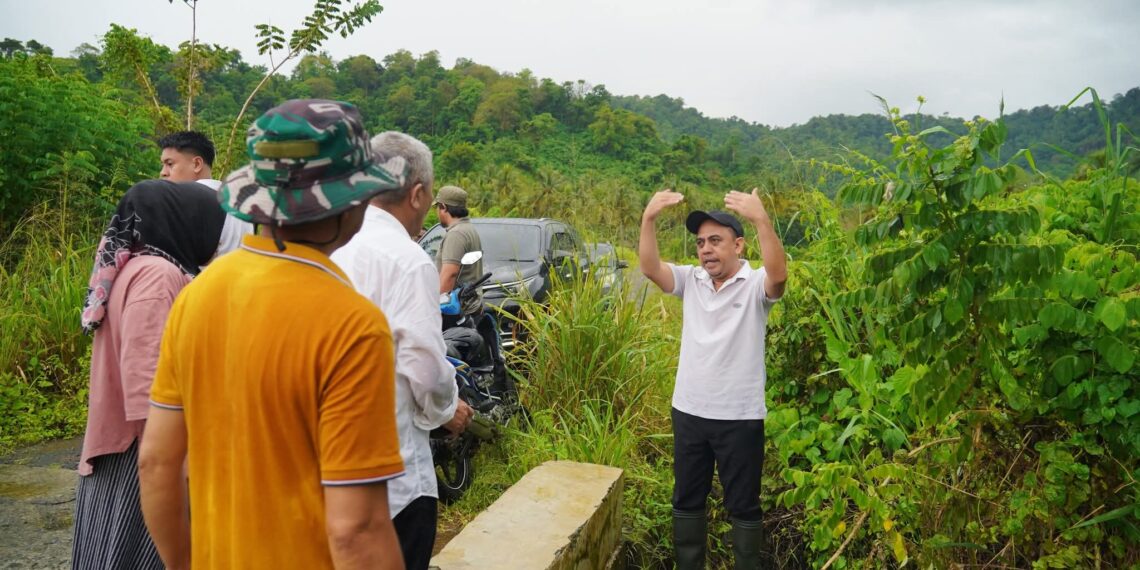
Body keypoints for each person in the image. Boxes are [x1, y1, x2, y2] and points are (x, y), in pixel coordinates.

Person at [138, 99, 407, 570]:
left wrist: (183, 562)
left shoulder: (198, 295)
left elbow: (157, 462)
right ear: (352, 203)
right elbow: (356, 530)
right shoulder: (352, 325)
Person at [330, 131, 474, 569]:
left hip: (326, 469)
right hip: (392, 479)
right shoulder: (407, 260)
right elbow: (425, 368)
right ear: (416, 194)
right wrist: (447, 410)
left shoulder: (330, 245)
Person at [72, 179, 225, 570]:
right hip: (141, 449)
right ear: (186, 222)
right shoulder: (159, 275)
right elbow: (147, 381)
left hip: (122, 443)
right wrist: (171, 466)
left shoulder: (131, 267)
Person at [638, 188, 788, 569]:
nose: (706, 249)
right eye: (701, 242)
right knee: (687, 500)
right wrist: (648, 218)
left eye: (715, 241)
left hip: (739, 417)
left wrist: (761, 219)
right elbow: (650, 268)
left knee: (744, 506)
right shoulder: (692, 280)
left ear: (738, 245)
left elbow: (779, 276)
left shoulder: (754, 284)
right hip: (689, 412)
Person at [157, 130, 252, 259]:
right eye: (163, 165)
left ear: (197, 164)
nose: (163, 172)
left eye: (170, 164)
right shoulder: (237, 204)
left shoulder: (185, 201)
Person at [434, 185, 483, 316]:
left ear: (443, 207)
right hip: (471, 307)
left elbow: (450, 274)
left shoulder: (456, 234)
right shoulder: (468, 229)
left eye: (437, 207)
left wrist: (435, 310)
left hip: (456, 311)